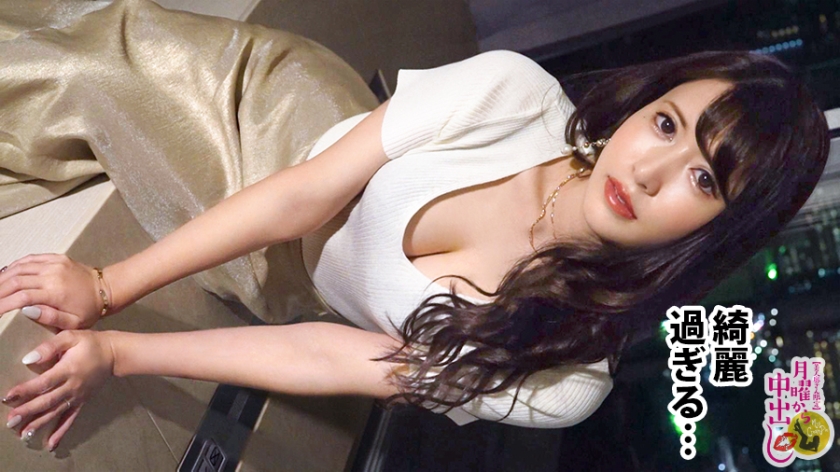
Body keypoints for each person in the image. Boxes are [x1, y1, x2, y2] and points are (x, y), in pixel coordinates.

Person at [0, 0, 830, 454]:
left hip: (278, 278)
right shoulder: (514, 92)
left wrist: (120, 352)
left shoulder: (565, 377)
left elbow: (332, 356)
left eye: (702, 179)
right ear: (645, 103)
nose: (649, 171)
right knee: (89, 62)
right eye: (666, 124)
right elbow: (305, 192)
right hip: (280, 128)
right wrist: (108, 285)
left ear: (719, 229)